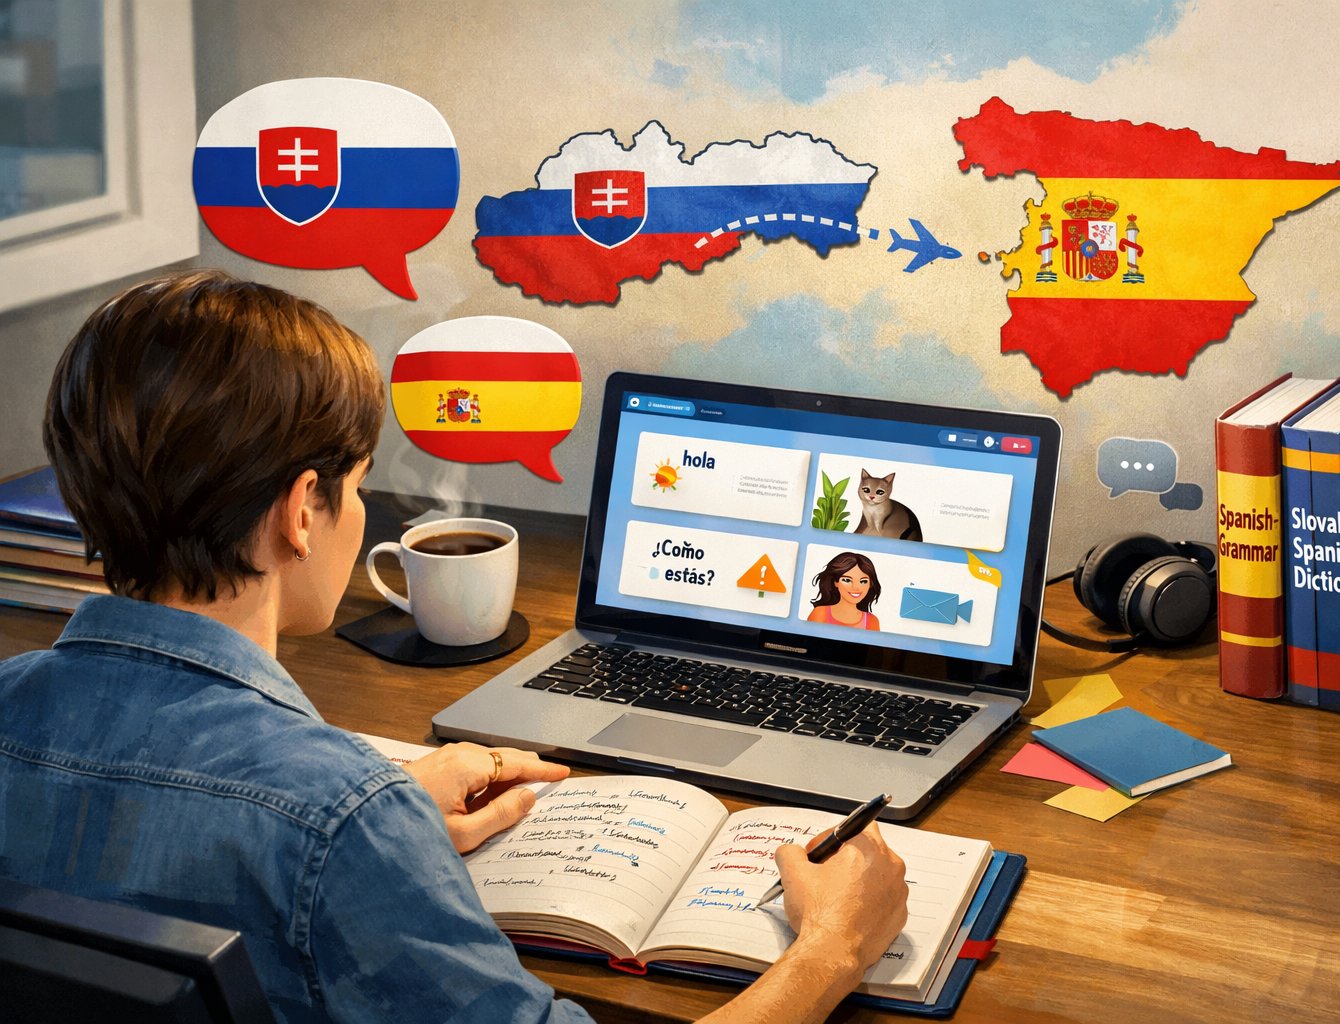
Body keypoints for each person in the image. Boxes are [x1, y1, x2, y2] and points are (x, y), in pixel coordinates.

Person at [0, 270, 907, 1022]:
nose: (361, 511)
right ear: (301, 512)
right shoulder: (343, 818)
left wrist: (372, 837)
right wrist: (834, 947)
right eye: (359, 485)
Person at [805, 551, 882, 630]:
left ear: (870, 584)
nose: (856, 587)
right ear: (835, 582)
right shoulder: (820, 613)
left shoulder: (872, 621)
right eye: (847, 580)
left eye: (863, 581)